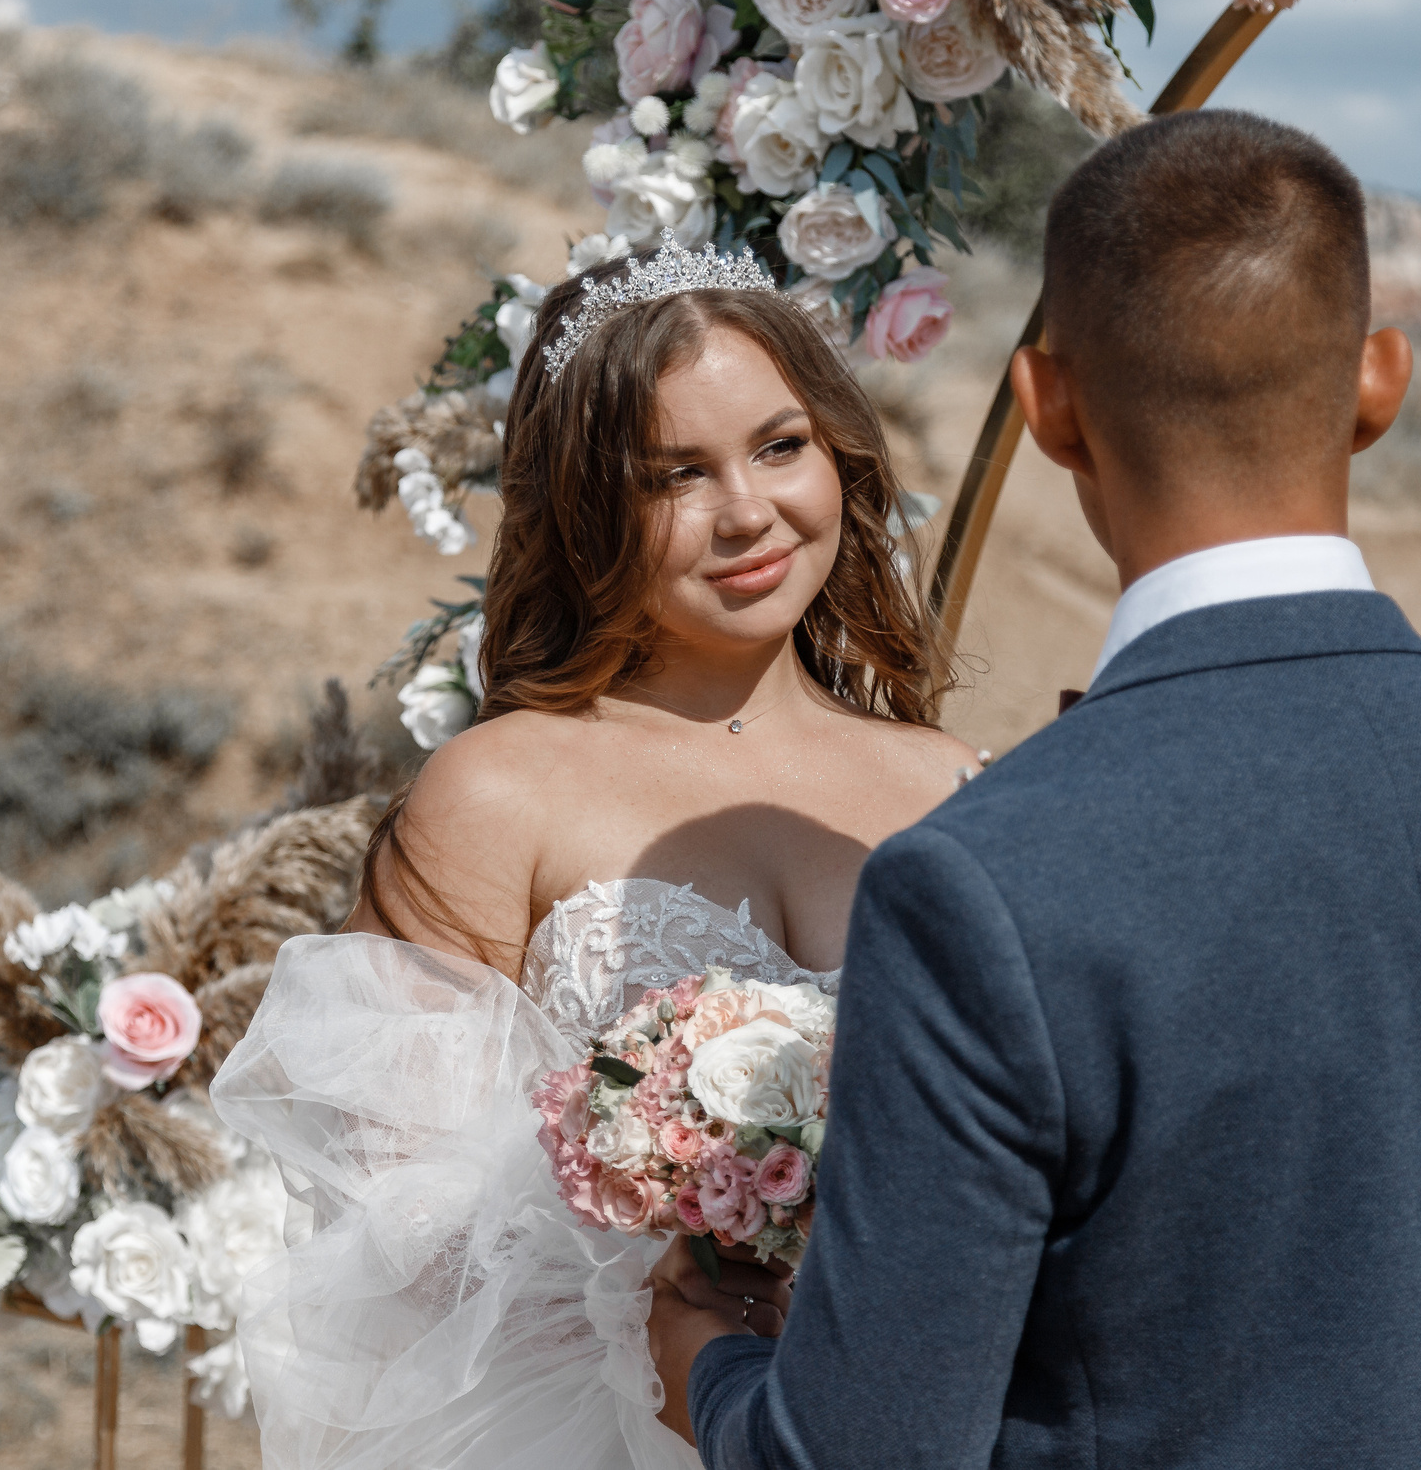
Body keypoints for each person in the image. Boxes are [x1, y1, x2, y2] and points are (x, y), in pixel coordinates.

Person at [652, 110, 1421, 1469]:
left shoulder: (983, 881)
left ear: (1048, 407)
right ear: (1378, 384)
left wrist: (717, 1363)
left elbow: (864, 1453)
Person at [210, 243, 985, 1470]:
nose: (748, 511)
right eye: (675, 474)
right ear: (584, 507)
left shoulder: (951, 784)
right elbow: (398, 1232)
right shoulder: (497, 788)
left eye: (779, 448)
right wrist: (682, 1235)